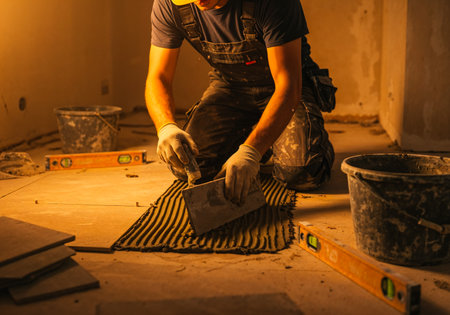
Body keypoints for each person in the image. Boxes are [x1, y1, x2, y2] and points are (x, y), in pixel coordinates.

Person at [145, 0, 336, 205]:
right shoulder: (169, 4)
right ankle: (256, 138)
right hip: (231, 87)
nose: (198, 1)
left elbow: (288, 87)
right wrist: (166, 127)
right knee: (185, 162)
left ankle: (298, 144)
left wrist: (251, 152)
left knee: (301, 173)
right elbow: (158, 77)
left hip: (284, 89)